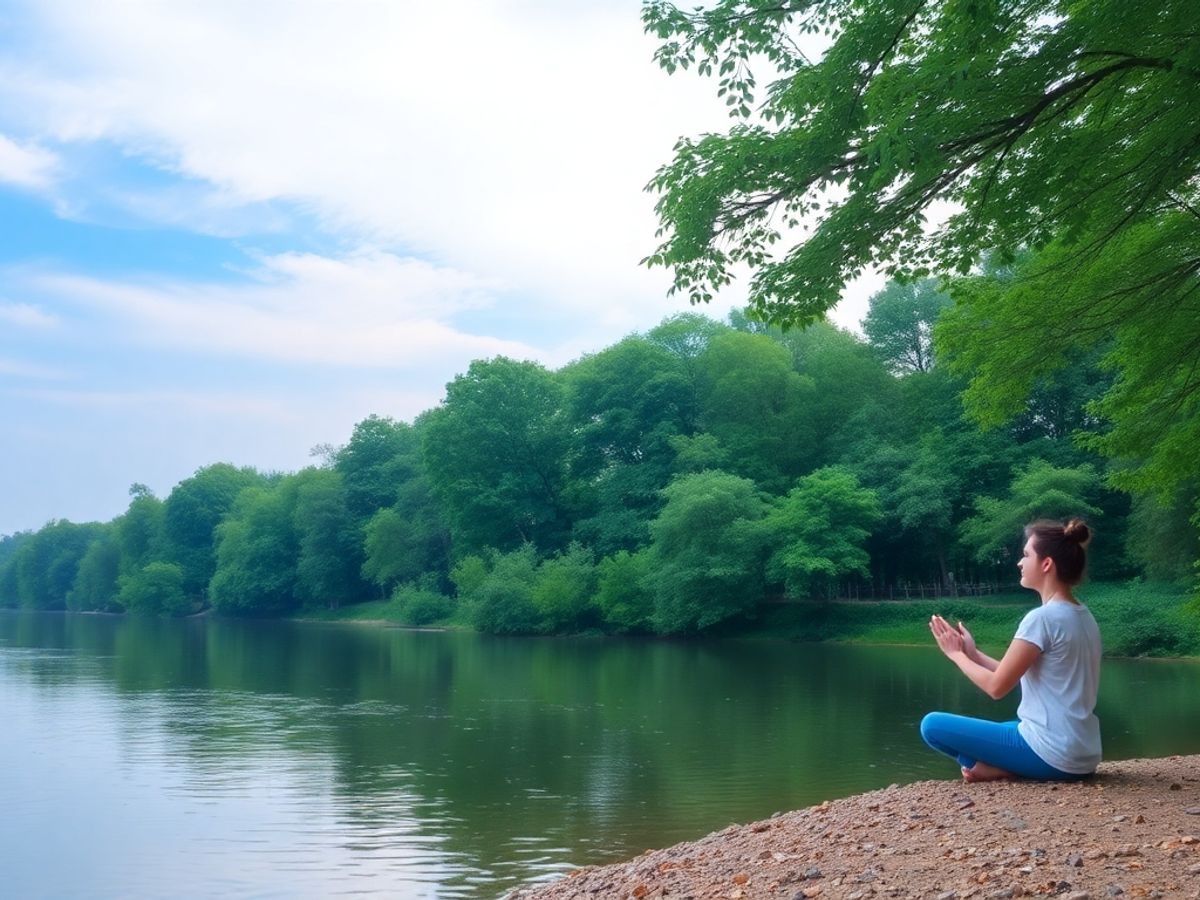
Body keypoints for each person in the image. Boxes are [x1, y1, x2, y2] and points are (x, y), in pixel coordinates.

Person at [920, 518, 1102, 782]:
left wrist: (955, 654)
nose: (1019, 562)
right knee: (1006, 729)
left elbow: (997, 687)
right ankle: (1004, 765)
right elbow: (1021, 676)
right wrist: (973, 653)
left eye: (1026, 555)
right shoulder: (1083, 616)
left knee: (932, 725)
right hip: (1083, 754)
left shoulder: (1042, 619)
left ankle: (998, 769)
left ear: (1046, 564)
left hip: (1054, 755)